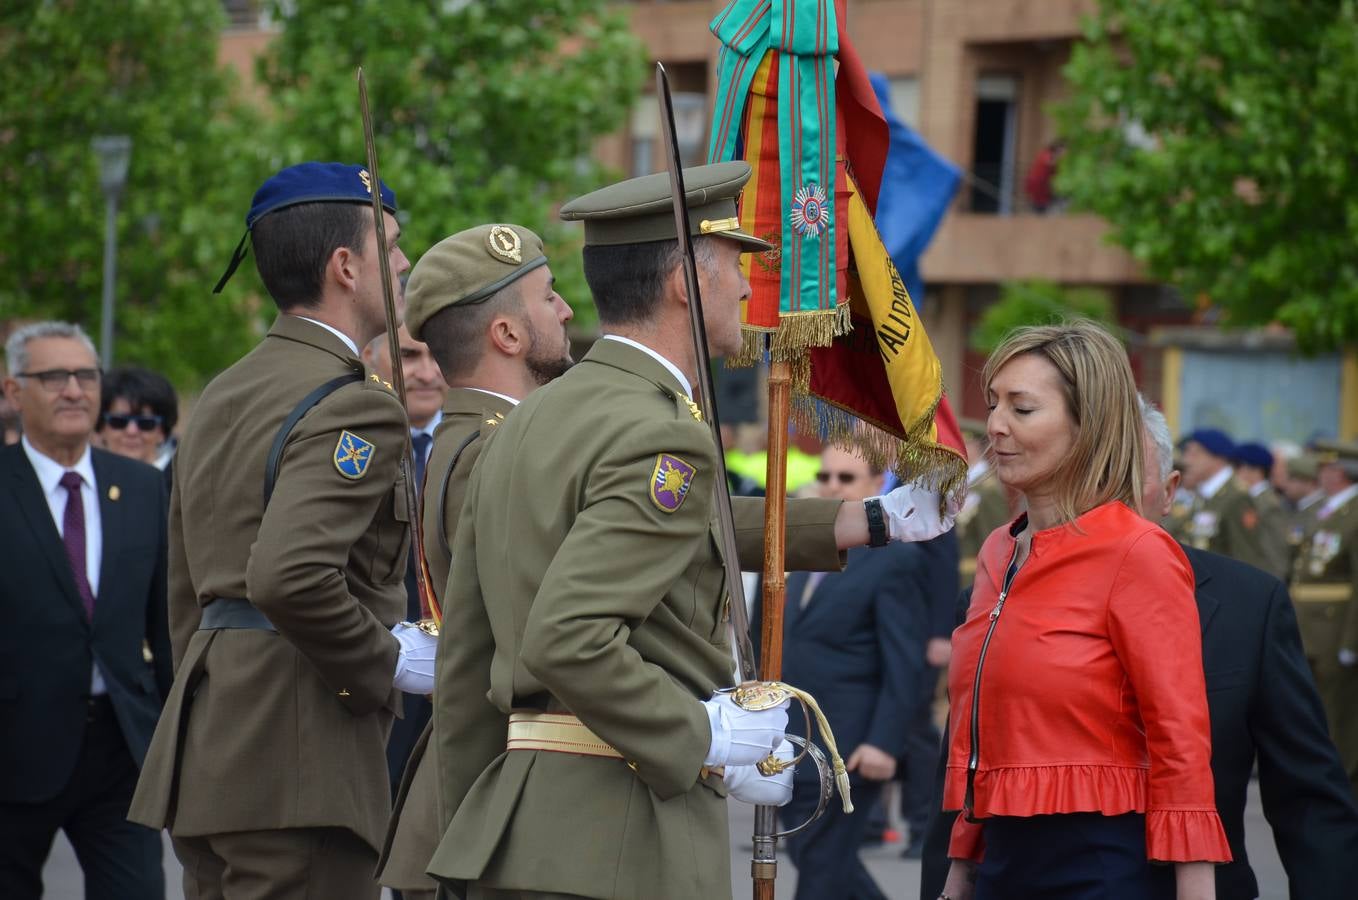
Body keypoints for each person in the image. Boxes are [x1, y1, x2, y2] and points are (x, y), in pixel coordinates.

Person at [425, 161, 960, 899]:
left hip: (518, 833)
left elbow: (466, 662)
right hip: (622, 841)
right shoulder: (659, 433)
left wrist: (862, 521)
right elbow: (568, 638)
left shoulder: (529, 419)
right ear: (684, 280)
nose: (747, 285)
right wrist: (705, 737)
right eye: (735, 262)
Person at [128, 162, 438, 900]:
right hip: (301, 758)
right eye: (390, 246)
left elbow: (188, 592)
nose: (403, 265)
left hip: (214, 742)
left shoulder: (223, 391)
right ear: (343, 267)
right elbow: (288, 576)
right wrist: (385, 661)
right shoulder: (356, 404)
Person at [922, 400, 1358, 900]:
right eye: (1095, 478)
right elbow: (962, 783)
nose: (1107, 501)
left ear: (1169, 492)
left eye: (1128, 481)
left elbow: (1307, 796)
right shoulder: (1001, 591)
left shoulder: (1248, 606)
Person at [939, 321, 1228, 900]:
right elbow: (984, 732)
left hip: (1097, 861)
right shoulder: (1000, 546)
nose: (994, 425)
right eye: (994, 402)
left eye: (1022, 408)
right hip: (1003, 859)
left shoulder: (1137, 551)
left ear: (1087, 425)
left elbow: (1180, 735)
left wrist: (1196, 887)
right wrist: (961, 870)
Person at [375, 223, 573, 900]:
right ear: (508, 336)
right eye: (549, 297)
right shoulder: (498, 453)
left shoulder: (471, 438)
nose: (567, 310)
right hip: (497, 786)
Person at [0, 321, 172, 899]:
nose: (74, 390)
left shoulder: (143, 488)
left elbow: (163, 624)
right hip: (16, 748)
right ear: (12, 391)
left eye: (85, 376)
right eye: (53, 377)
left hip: (121, 751)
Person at [757, 445, 928, 900]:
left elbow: (904, 661)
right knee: (816, 859)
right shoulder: (800, 548)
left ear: (876, 486)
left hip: (850, 745)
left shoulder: (895, 560)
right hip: (793, 740)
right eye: (826, 474)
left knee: (821, 868)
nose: (832, 485)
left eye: (846, 478)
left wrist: (885, 742)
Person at [362, 324, 447, 804]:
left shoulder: (479, 440)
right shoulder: (352, 442)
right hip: (373, 665)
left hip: (452, 679)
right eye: (409, 356)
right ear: (371, 354)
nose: (427, 373)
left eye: (437, 358)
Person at [1291, 439, 1358, 796]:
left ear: (1344, 474)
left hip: (1337, 629)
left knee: (1340, 714)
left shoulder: (1353, 512)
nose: (1323, 475)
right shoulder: (1328, 510)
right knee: (1317, 710)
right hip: (1311, 628)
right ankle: (1325, 780)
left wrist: (1352, 640)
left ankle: (1344, 782)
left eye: (1329, 469)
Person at [1177, 428, 1280, 576]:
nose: (1186, 461)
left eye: (1194, 454)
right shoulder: (1204, 495)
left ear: (1217, 458)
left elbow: (1245, 558)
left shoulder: (1236, 497)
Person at [97, 366, 179, 487]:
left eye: (145, 423)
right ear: (101, 428)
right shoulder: (85, 486)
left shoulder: (181, 486)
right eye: (119, 421)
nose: (131, 431)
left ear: (162, 431)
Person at [953, 417, 1010, 585]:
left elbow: (993, 542)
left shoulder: (988, 490)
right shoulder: (961, 483)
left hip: (972, 580)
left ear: (977, 447)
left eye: (964, 444)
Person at [1231, 441, 1290, 580]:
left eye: (1238, 466)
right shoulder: (1246, 500)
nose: (1234, 472)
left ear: (1256, 471)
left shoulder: (1268, 504)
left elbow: (1275, 555)